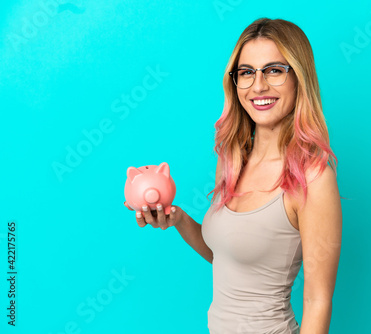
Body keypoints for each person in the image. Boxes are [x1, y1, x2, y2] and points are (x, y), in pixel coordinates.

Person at [125, 17, 342, 334]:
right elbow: (227, 259)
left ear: (299, 77)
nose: (258, 86)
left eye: (274, 70)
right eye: (246, 72)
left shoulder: (313, 179)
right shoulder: (232, 158)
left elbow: (317, 301)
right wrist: (179, 220)